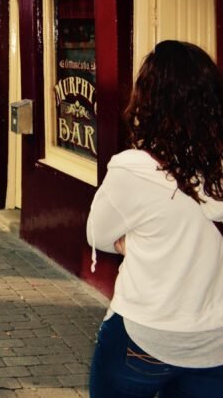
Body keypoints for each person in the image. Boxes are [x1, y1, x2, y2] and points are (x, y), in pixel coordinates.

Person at [87, 41, 223, 397]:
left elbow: (98, 235)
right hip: (215, 342)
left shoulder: (133, 168)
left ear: (148, 100)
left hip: (144, 336)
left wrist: (132, 242)